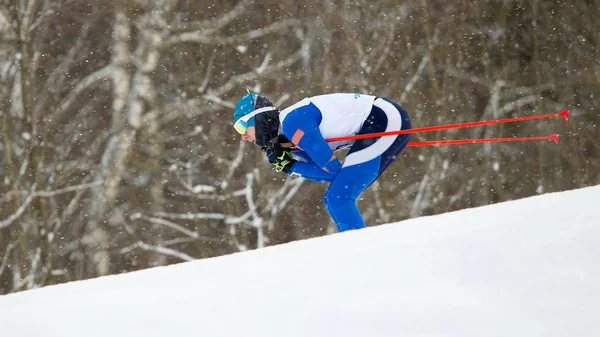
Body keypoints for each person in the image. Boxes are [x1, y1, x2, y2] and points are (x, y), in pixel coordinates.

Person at [232, 92, 412, 232]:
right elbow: (324, 174)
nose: (244, 136)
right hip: (381, 120)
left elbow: (331, 171)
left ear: (258, 117)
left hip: (383, 119)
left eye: (242, 126)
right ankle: (358, 249)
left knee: (338, 198)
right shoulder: (289, 134)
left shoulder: (293, 123)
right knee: (336, 197)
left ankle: (359, 252)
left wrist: (290, 165)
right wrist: (290, 164)